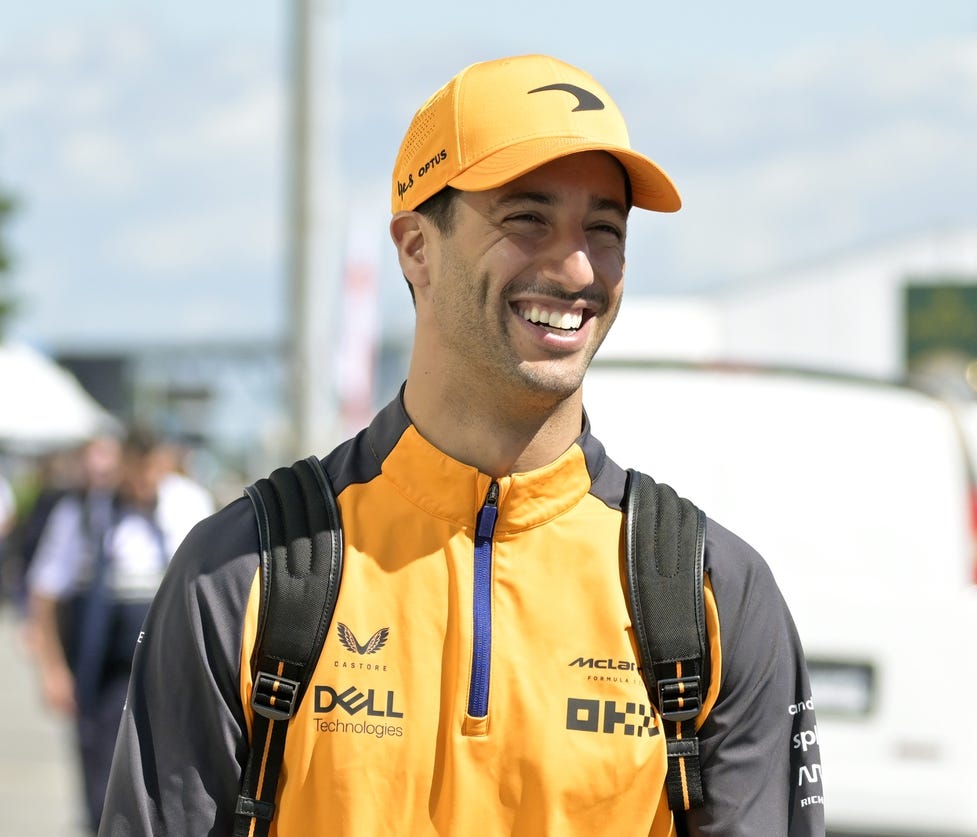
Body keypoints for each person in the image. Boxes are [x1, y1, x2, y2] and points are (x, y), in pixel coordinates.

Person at [100, 54, 824, 836]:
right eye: (527, 219)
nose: (577, 266)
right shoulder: (247, 573)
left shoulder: (710, 592)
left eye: (605, 229)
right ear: (416, 246)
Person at [25, 427, 213, 833]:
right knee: (103, 782)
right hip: (104, 670)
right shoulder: (82, 513)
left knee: (174, 781)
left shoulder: (188, 505)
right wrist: (53, 670)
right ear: (122, 464)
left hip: (171, 667)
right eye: (136, 469)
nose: (144, 481)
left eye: (153, 469)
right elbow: (44, 594)